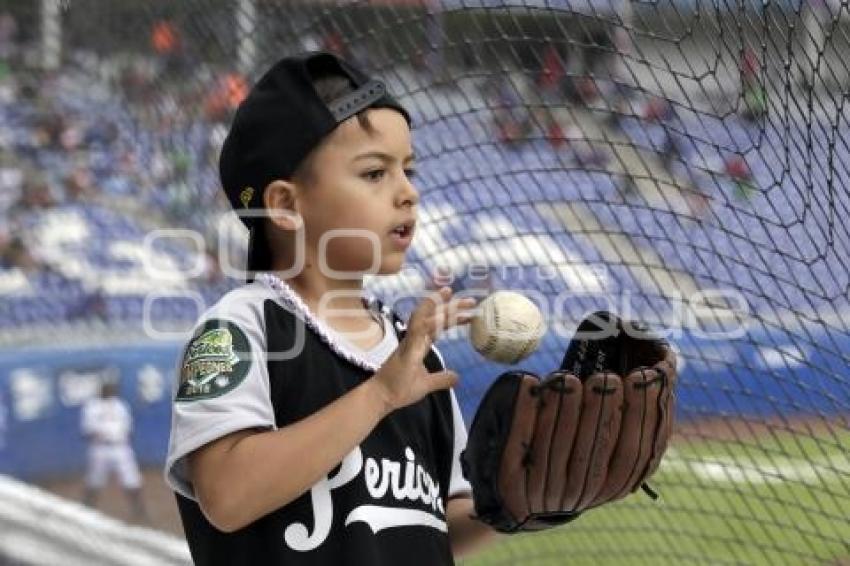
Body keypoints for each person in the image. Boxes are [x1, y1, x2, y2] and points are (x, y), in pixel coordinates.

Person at [164, 51, 496, 565]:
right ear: (285, 205)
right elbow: (227, 496)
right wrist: (382, 393)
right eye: (373, 174)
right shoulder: (241, 329)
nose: (408, 192)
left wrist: (518, 504)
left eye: (408, 170)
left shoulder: (416, 355)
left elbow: (433, 523)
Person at [81, 380, 147, 521]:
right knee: (94, 480)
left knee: (132, 479)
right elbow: (86, 431)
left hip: (121, 447)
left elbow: (129, 428)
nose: (110, 391)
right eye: (107, 388)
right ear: (101, 390)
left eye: (111, 389)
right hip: (100, 448)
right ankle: (86, 508)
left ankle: (139, 511)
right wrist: (103, 433)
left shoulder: (120, 405)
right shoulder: (92, 407)